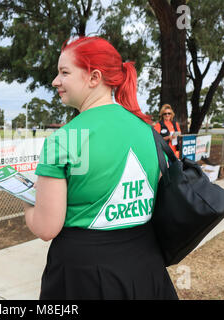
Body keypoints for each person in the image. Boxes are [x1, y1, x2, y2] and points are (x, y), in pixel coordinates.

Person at [23, 36, 178, 299]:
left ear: (94, 77)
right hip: (146, 265)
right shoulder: (146, 130)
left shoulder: (65, 139)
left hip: (83, 274)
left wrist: (26, 198)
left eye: (64, 72)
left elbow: (46, 228)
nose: (55, 81)